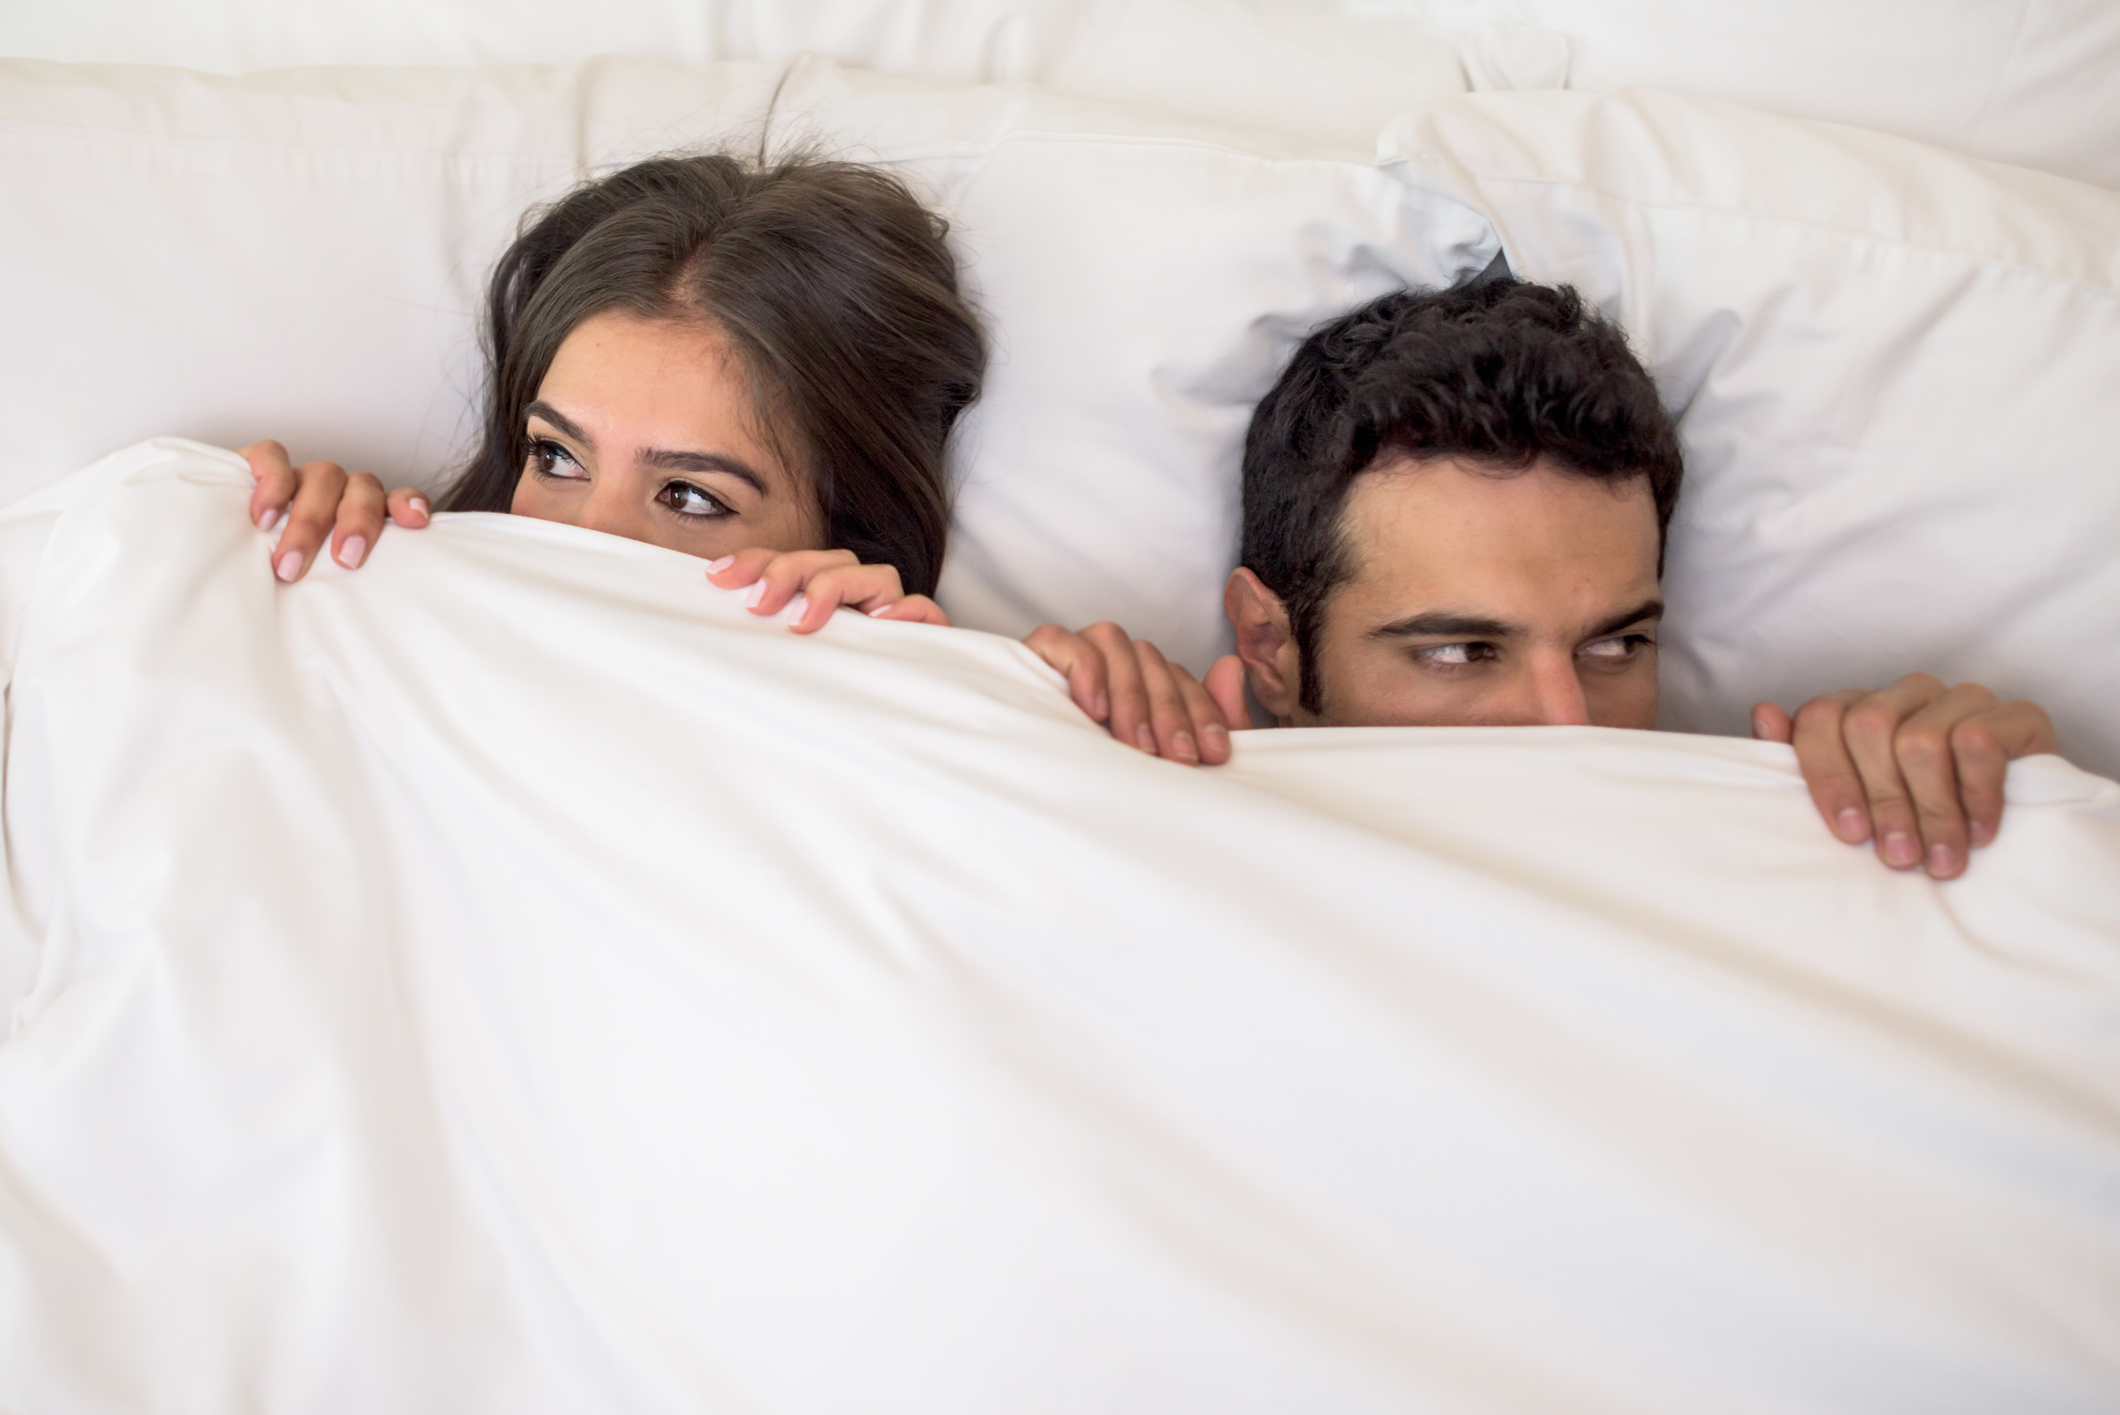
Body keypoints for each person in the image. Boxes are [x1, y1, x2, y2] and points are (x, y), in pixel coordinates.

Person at [1028, 279, 2064, 880]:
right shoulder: (1137, 847)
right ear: (1269, 646)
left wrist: (2013, 830)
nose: (1566, 724)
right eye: (1458, 651)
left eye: (1614, 645)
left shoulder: (1800, 852)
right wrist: (1008, 730)